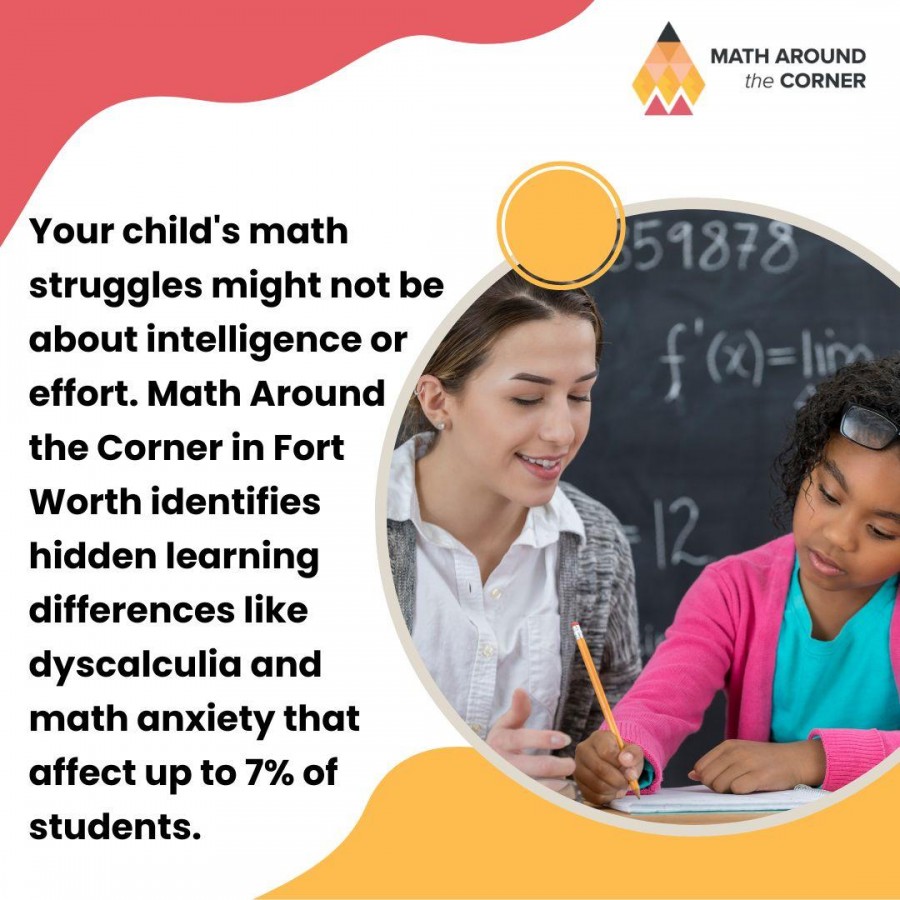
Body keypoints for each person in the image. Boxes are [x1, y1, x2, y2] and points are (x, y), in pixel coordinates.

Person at [574, 356, 900, 805]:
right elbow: (661, 700)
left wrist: (810, 760)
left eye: (882, 531)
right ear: (804, 467)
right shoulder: (733, 590)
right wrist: (623, 748)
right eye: (828, 495)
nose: (839, 537)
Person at [387, 270, 641, 779]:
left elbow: (611, 737)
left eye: (579, 395)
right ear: (437, 400)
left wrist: (607, 769)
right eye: (526, 399)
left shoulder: (597, 545)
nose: (561, 431)